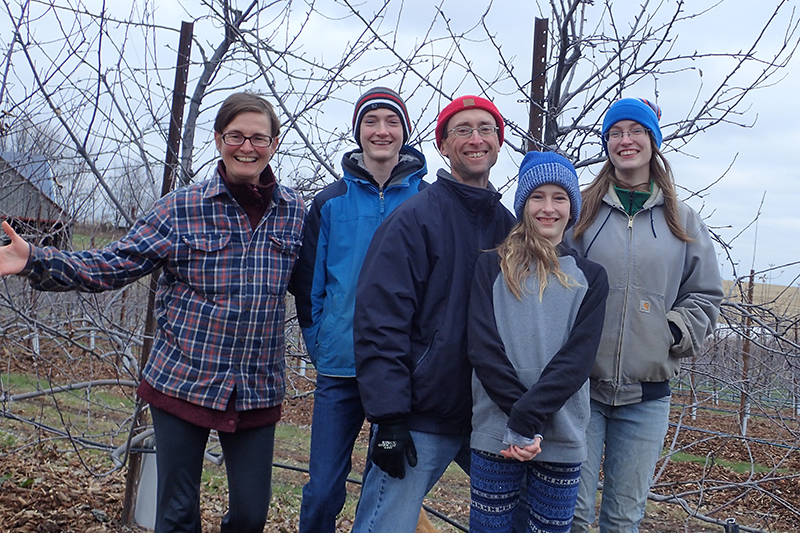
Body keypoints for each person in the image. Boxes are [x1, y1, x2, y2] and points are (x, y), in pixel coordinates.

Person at [0, 92, 305, 533]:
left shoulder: (293, 213)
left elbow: (319, 286)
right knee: (178, 514)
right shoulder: (181, 209)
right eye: (235, 135)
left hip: (257, 387)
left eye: (259, 138)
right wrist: (36, 261)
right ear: (219, 139)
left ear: (274, 144)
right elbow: (113, 263)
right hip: (184, 381)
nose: (247, 146)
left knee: (250, 516)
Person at [351, 95, 517, 533]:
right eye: (462, 130)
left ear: (499, 143)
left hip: (489, 415)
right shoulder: (414, 220)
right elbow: (379, 321)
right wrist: (389, 417)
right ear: (443, 145)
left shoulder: (511, 229)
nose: (475, 139)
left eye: (486, 129)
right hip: (421, 415)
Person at [566, 98, 724, 533]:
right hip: (581, 390)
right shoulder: (580, 212)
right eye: (615, 133)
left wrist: (670, 332)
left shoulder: (683, 219)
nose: (625, 140)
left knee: (622, 520)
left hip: (647, 396)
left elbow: (706, 294)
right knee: (573, 517)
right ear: (606, 144)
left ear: (653, 141)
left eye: (636, 131)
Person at [292, 86, 427, 533]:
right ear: (358, 131)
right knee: (323, 489)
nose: (381, 130)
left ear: (405, 132)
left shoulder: (426, 201)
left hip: (402, 371)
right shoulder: (330, 202)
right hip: (340, 367)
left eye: (392, 121)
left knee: (384, 489)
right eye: (371, 121)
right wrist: (321, 343)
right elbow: (309, 284)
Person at [468, 151, 609, 533]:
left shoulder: (592, 277)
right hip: (496, 434)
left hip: (560, 434)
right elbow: (483, 349)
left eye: (559, 197)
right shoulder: (489, 267)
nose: (548, 208)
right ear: (523, 204)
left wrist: (526, 420)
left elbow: (576, 362)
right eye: (537, 197)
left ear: (572, 207)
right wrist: (517, 423)